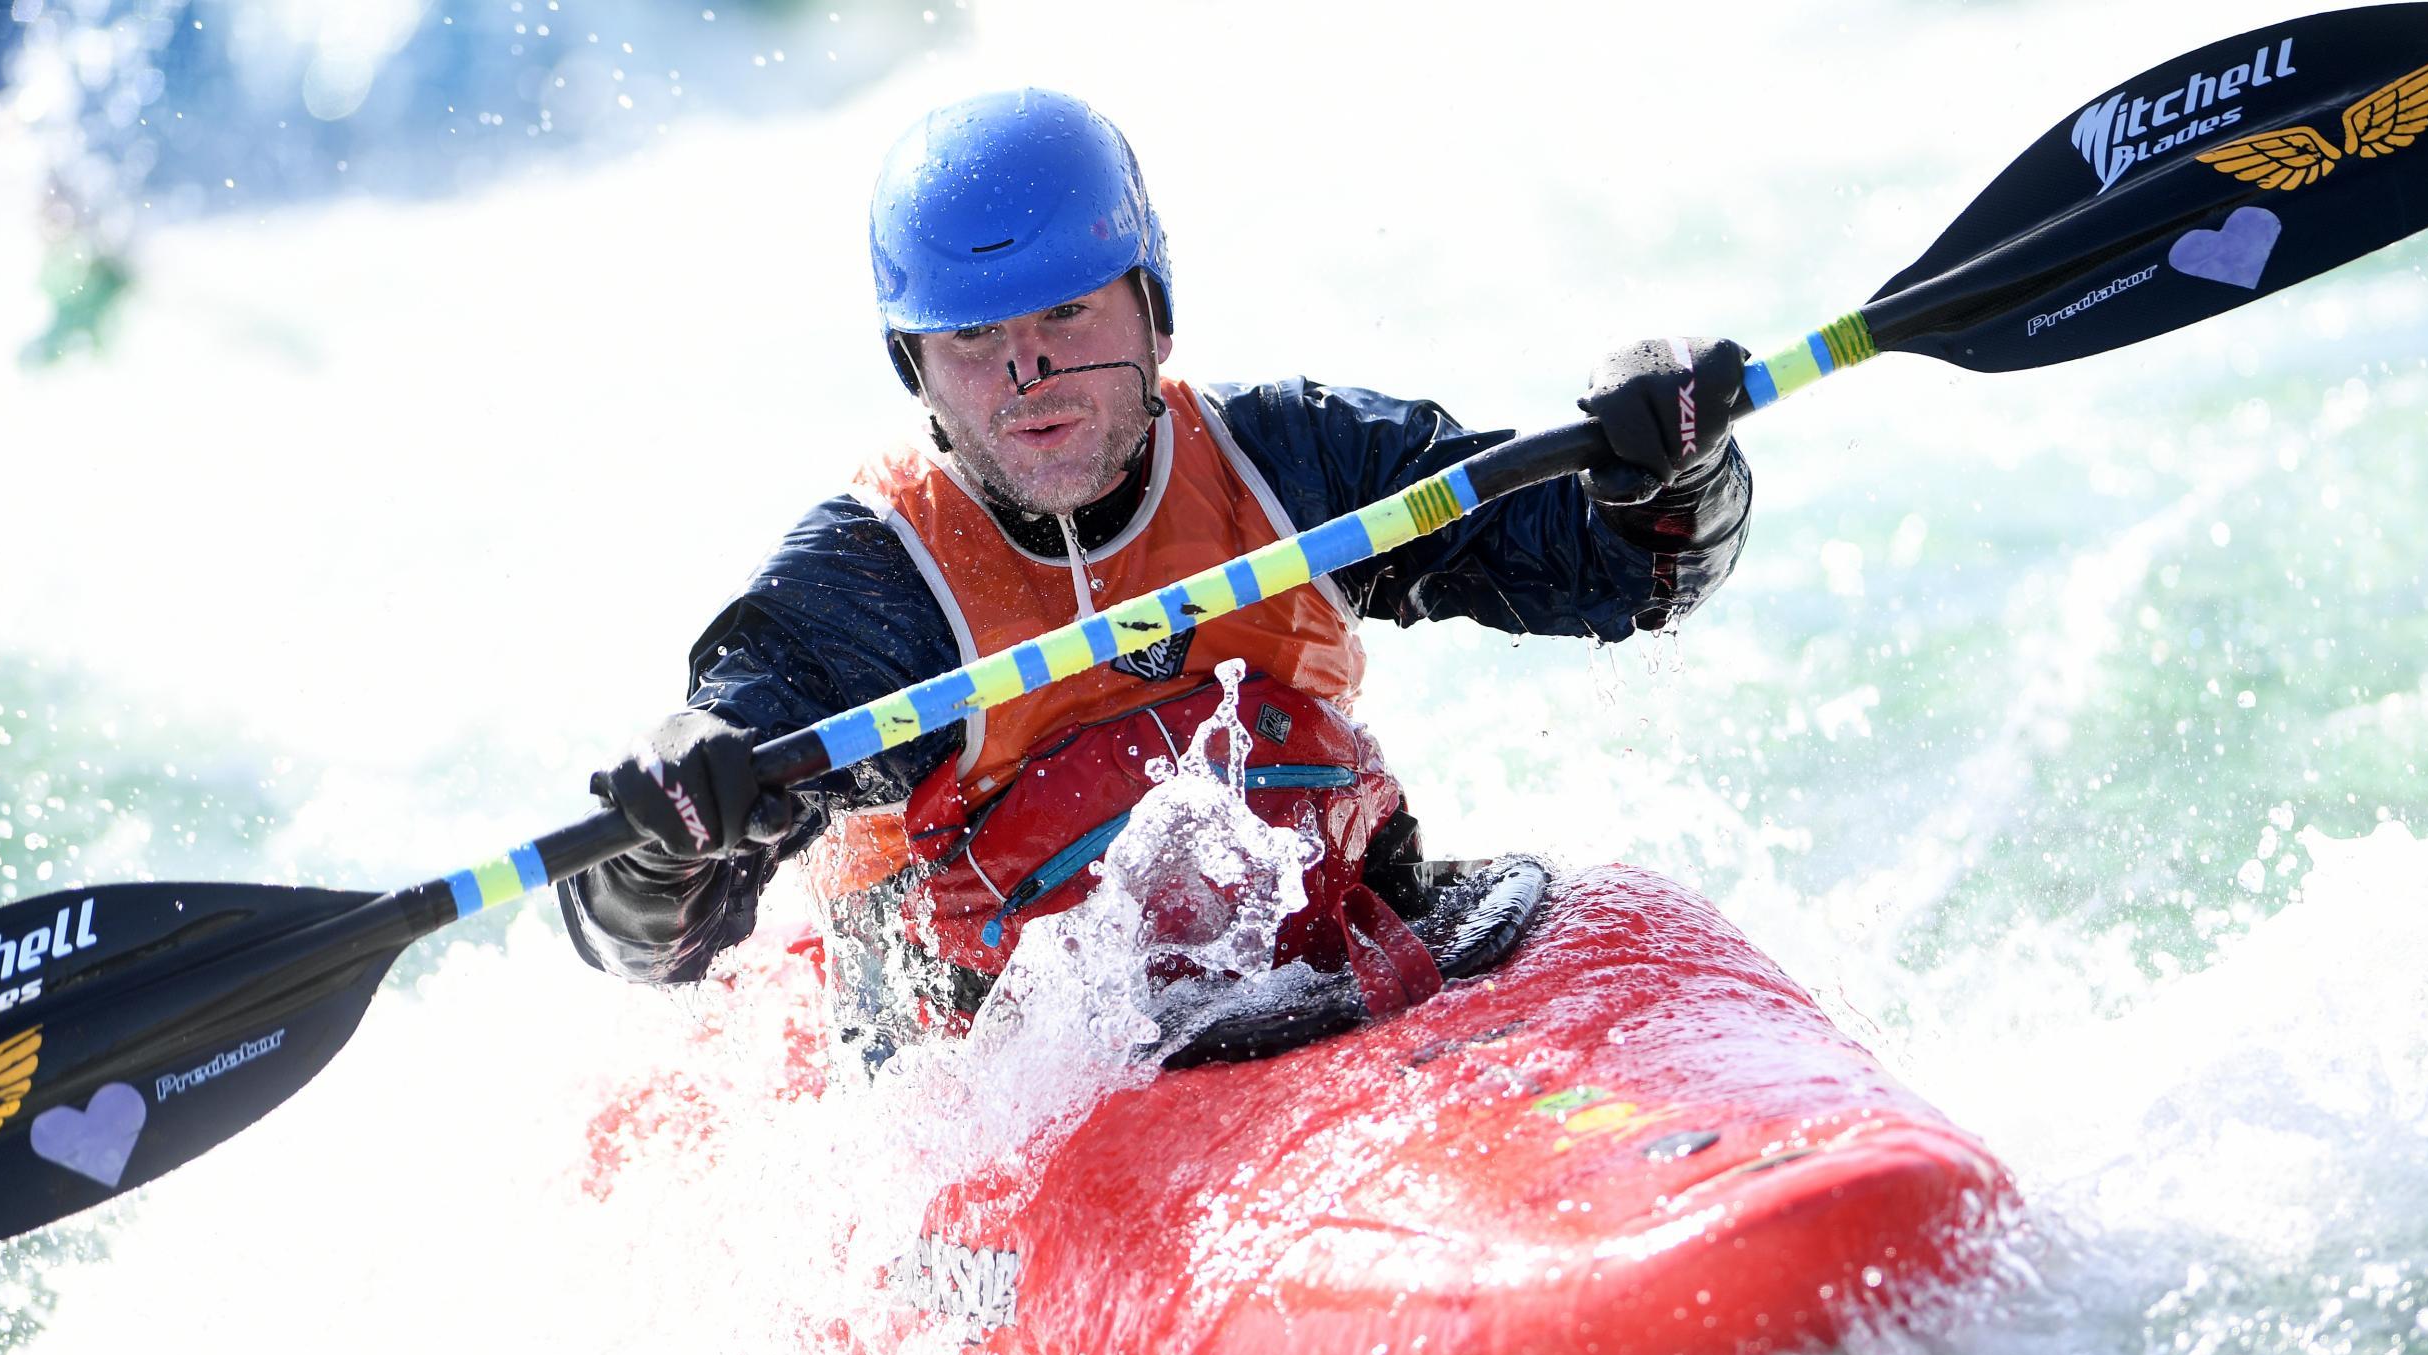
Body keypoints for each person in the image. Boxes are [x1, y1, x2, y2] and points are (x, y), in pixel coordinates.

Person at [560, 88, 1752, 1051]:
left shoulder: (1288, 463)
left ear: (1154, 312)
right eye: (972, 337)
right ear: (913, 370)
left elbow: (1625, 571)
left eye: (1067, 314)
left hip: (1319, 971)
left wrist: (1673, 468)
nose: (1026, 371)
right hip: (1002, 1085)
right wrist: (666, 833)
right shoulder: (874, 585)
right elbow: (655, 937)